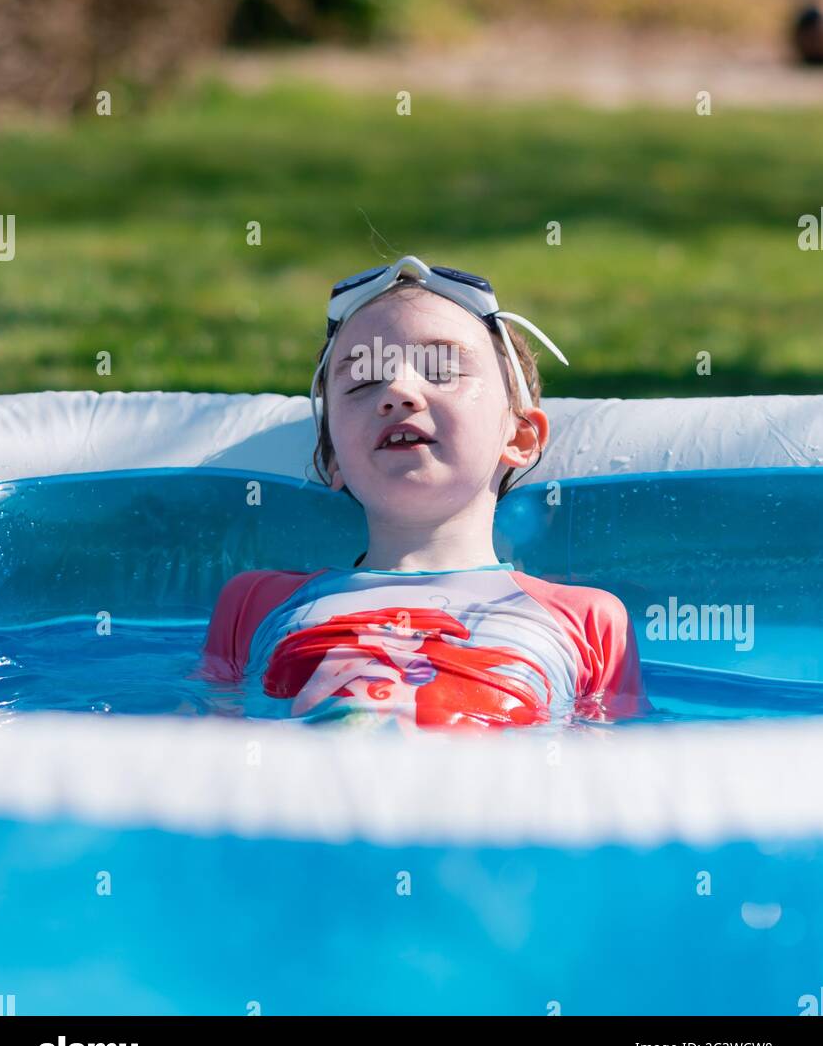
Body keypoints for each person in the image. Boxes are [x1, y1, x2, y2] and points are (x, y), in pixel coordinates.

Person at [199, 257, 649, 731]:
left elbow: (611, 775)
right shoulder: (256, 603)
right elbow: (202, 746)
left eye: (441, 371)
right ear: (332, 459)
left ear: (519, 438)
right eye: (363, 381)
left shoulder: (586, 621)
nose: (396, 391)